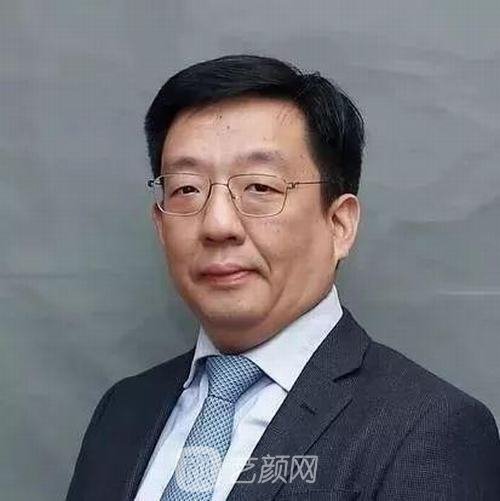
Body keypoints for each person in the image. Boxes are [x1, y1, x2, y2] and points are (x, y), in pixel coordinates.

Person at [66, 54, 500, 501]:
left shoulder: (428, 428)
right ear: (161, 225)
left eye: (260, 187)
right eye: (187, 189)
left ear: (339, 224)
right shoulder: (123, 411)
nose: (217, 225)